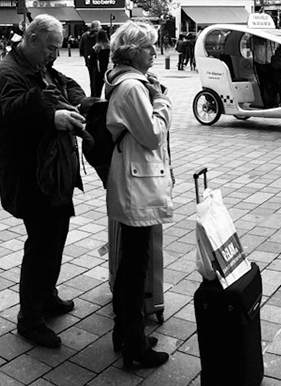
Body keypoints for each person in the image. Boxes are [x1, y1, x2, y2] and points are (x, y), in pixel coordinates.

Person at [0, 15, 88, 349]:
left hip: (51, 171)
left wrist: (75, 102)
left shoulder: (40, 67)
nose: (54, 55)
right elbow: (14, 112)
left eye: (58, 49)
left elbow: (66, 84)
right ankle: (29, 319)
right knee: (42, 243)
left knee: (55, 235)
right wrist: (53, 115)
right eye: (50, 48)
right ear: (31, 40)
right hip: (30, 174)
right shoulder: (9, 72)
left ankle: (47, 296)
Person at [101, 21, 173, 368]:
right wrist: (161, 101)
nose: (154, 53)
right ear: (132, 52)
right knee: (133, 266)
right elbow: (153, 135)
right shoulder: (132, 88)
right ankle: (134, 347)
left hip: (133, 178)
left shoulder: (124, 81)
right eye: (148, 48)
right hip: (135, 183)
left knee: (131, 263)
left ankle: (126, 333)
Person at [79, 21, 110, 99]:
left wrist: (86, 56)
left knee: (93, 80)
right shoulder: (100, 36)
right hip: (105, 68)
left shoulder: (84, 36)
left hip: (91, 62)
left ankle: (93, 96)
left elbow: (81, 48)